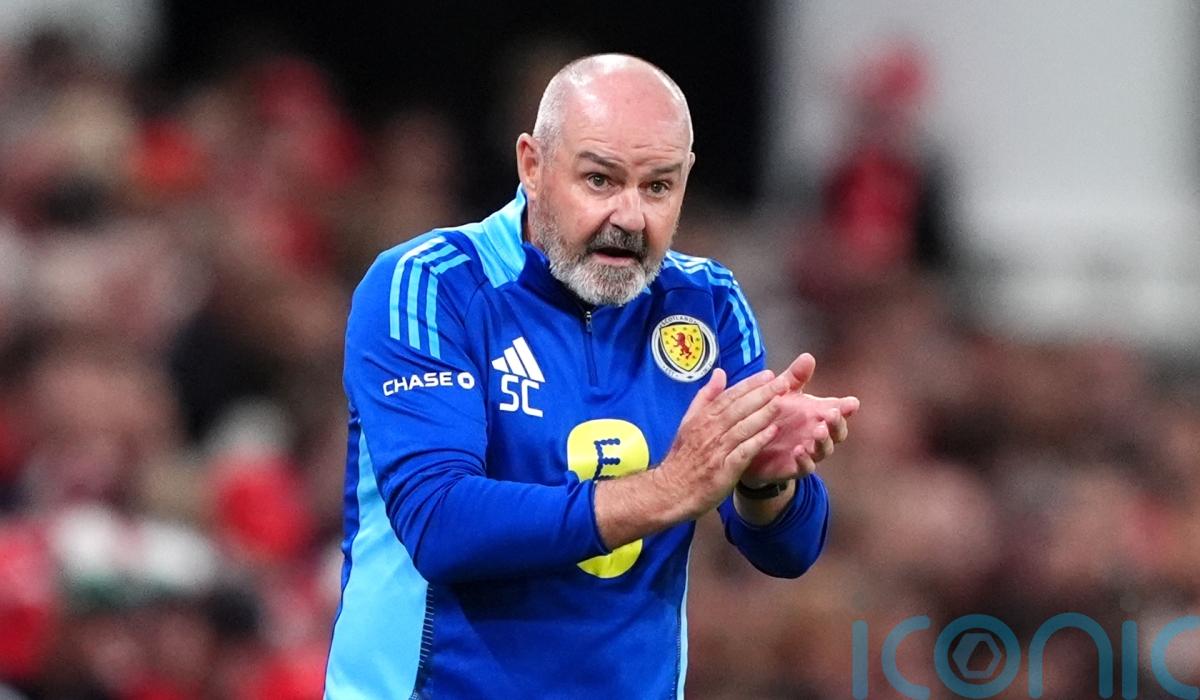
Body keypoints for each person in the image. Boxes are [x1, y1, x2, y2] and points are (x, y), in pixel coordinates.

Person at [324, 54, 859, 699]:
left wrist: (765, 480)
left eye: (658, 187)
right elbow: (441, 523)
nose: (631, 217)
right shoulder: (430, 284)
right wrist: (668, 489)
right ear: (532, 165)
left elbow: (788, 552)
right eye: (601, 180)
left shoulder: (707, 303)